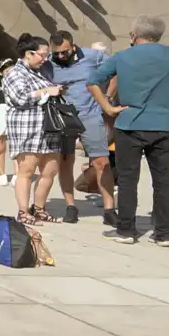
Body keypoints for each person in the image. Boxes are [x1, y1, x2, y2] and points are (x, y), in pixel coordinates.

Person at [88, 16, 169, 246]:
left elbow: (93, 81)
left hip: (129, 123)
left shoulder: (123, 56)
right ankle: (165, 233)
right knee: (163, 179)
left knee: (127, 179)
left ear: (134, 35)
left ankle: (126, 230)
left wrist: (108, 107)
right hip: (162, 123)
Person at [45, 31, 114, 225]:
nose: (60, 56)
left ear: (73, 47)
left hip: (90, 115)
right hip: (63, 116)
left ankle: (109, 208)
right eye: (56, 53)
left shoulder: (92, 56)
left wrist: (107, 97)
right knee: (66, 162)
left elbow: (116, 69)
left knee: (101, 161)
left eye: (64, 52)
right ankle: (71, 206)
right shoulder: (48, 62)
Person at [3, 34, 64, 225]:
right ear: (29, 54)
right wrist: (47, 91)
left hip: (49, 129)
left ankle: (39, 209)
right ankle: (23, 211)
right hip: (27, 130)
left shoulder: (39, 72)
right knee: (26, 171)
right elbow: (20, 98)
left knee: (50, 171)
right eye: (42, 55)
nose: (45, 59)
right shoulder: (14, 73)